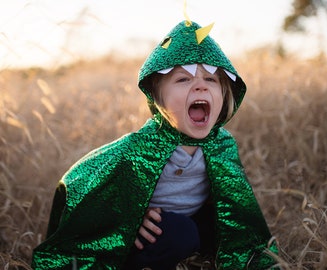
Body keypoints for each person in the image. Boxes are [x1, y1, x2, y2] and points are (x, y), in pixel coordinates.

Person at [31, 19, 278, 270]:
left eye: (212, 80)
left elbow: (234, 202)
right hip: (153, 229)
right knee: (182, 233)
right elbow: (89, 183)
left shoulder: (222, 145)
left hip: (193, 215)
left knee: (226, 227)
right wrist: (132, 217)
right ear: (158, 99)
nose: (201, 84)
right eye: (183, 79)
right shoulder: (141, 148)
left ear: (226, 94)